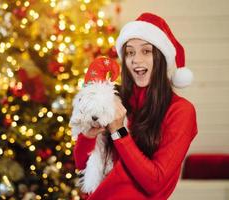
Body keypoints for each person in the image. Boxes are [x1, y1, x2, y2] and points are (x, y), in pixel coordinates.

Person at [73, 12, 197, 200]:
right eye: (130, 52)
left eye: (146, 51)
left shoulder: (180, 111)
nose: (136, 60)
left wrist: (118, 130)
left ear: (161, 58)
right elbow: (82, 163)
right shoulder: (114, 96)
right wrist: (88, 136)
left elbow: (155, 182)